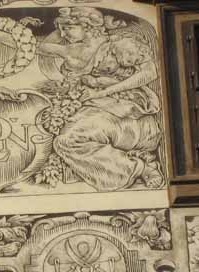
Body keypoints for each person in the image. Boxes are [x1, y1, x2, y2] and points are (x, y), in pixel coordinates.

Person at [42, 9, 164, 190]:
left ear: (88, 26)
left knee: (68, 141)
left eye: (68, 28)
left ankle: (140, 169)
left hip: (126, 113)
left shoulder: (120, 44)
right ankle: (131, 165)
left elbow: (150, 72)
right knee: (64, 141)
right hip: (92, 110)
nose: (62, 34)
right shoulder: (71, 51)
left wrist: (103, 91)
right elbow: (40, 47)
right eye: (60, 29)